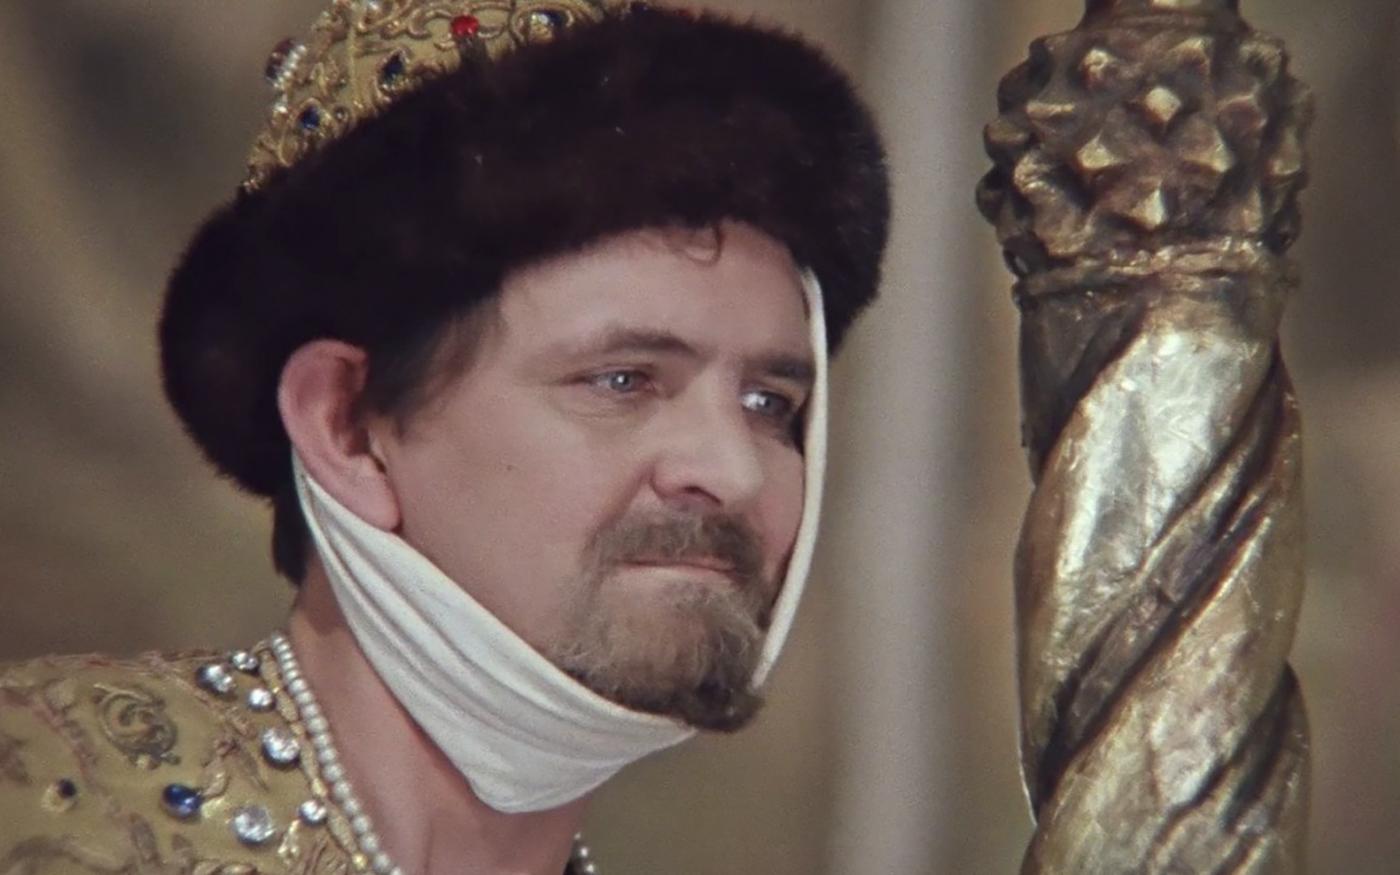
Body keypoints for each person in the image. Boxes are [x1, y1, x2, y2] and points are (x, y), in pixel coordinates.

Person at [0, 1, 888, 872]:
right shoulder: (44, 794)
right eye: (623, 381)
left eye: (769, 403)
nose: (733, 470)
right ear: (347, 426)